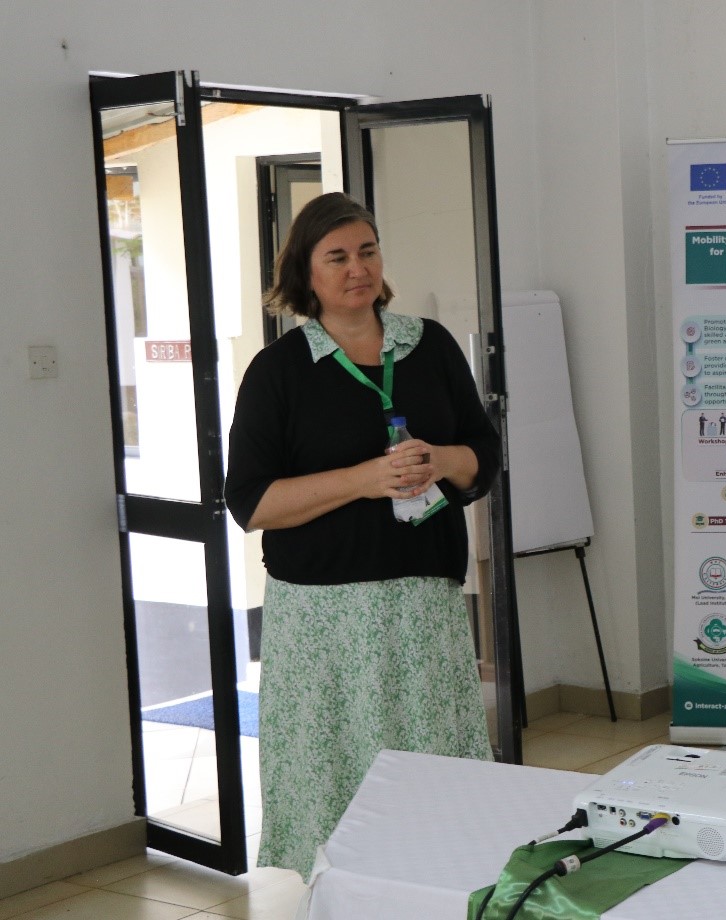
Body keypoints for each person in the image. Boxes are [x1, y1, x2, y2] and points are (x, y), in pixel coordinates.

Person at [224, 192, 500, 880]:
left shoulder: (429, 346)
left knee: (431, 764)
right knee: (337, 771)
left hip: (422, 609)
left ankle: (438, 884)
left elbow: (482, 457)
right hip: (324, 620)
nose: (358, 269)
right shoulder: (279, 372)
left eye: (368, 251)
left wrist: (440, 461)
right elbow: (252, 502)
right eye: (337, 256)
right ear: (304, 274)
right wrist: (364, 479)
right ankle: (340, 891)